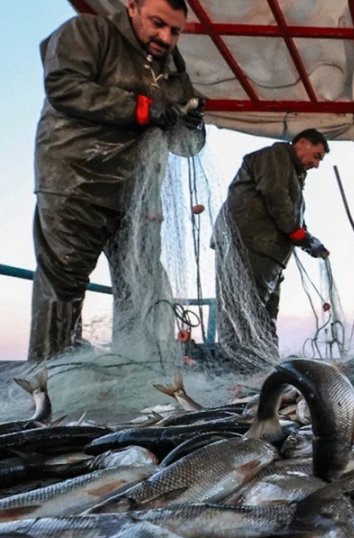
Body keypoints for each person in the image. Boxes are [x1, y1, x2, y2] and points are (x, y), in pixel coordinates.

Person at [29, 0, 206, 361]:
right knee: (63, 283)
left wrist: (191, 125)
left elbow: (188, 145)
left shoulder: (173, 68)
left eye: (175, 31)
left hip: (138, 196)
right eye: (158, 23)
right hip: (77, 182)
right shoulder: (90, 32)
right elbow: (63, 86)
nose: (166, 37)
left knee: (141, 287)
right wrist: (143, 108)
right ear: (132, 7)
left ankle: (137, 374)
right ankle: (46, 387)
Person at [212, 129, 330, 367]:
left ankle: (263, 368)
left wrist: (309, 240)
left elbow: (291, 214)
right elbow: (275, 196)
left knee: (264, 316)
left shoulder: (294, 177)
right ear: (302, 143)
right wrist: (298, 234)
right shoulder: (276, 156)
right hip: (248, 245)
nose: (316, 165)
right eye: (316, 156)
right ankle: (238, 369)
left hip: (270, 254)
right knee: (243, 310)